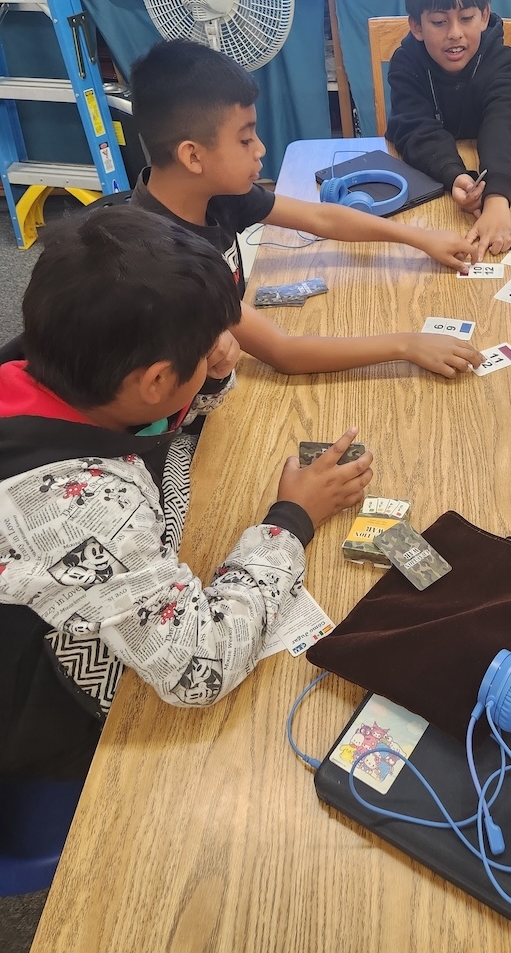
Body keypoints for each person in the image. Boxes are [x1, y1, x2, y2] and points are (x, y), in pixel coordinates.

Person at [0, 207, 374, 779]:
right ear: (153, 380)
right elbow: (202, 668)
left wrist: (208, 373)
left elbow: (146, 418)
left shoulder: (52, 360)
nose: (221, 351)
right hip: (34, 703)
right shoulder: (83, 506)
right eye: (205, 351)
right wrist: (293, 520)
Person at [130, 40, 484, 379]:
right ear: (193, 156)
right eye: (245, 139)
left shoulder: (211, 190)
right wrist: (407, 344)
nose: (261, 149)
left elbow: (320, 217)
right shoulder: (167, 262)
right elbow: (284, 352)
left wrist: (421, 238)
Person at [385, 0, 511, 259]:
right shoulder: (405, 64)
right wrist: (454, 174)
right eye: (439, 22)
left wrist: (497, 197)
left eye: (466, 18)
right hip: (432, 190)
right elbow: (414, 129)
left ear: (483, 16)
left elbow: (504, 122)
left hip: (492, 176)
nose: (455, 33)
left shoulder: (502, 61)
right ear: (416, 26)